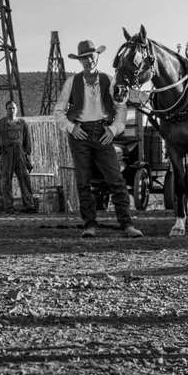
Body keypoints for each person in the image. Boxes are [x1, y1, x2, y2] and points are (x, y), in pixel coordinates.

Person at [54, 40, 142, 239]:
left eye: (92, 56)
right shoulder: (71, 82)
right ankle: (90, 225)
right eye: (84, 57)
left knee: (116, 179)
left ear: (98, 57)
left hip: (102, 133)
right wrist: (71, 127)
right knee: (83, 182)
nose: (88, 60)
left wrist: (113, 129)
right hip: (79, 134)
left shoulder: (109, 81)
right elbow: (59, 111)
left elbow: (121, 109)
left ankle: (127, 224)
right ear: (80, 60)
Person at [0, 101, 36, 214]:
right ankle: (9, 207)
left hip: (20, 154)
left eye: (13, 108)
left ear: (16, 109)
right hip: (7, 154)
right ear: (6, 109)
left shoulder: (22, 123)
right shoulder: (1, 123)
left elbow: (27, 141)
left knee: (25, 178)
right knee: (6, 180)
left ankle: (29, 206)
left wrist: (26, 156)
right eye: (9, 108)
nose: (11, 110)